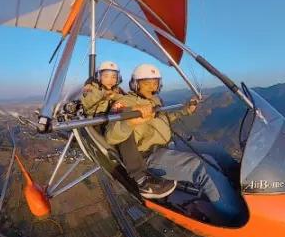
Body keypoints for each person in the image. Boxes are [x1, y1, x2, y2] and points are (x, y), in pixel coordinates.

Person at [105, 64, 244, 226]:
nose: (152, 87)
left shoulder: (154, 100)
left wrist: (185, 110)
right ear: (135, 84)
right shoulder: (125, 102)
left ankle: (244, 185)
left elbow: (164, 120)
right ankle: (235, 214)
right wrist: (128, 122)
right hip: (150, 156)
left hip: (170, 144)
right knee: (202, 167)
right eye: (147, 83)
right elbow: (111, 136)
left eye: (155, 83)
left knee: (216, 150)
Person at [81, 61, 176, 199]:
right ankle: (141, 179)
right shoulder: (91, 88)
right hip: (98, 121)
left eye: (114, 76)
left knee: (130, 121)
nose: (110, 79)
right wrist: (102, 94)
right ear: (99, 76)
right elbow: (88, 101)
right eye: (106, 76)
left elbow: (124, 99)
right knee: (126, 130)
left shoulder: (117, 90)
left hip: (111, 116)